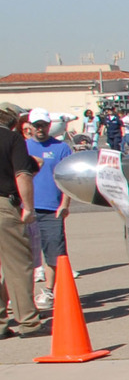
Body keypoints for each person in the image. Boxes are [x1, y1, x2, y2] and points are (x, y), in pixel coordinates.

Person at [0, 105, 43, 336]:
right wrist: (28, 207)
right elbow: (22, 175)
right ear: (14, 121)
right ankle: (27, 321)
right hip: (4, 206)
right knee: (17, 266)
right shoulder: (13, 139)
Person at [24, 112, 72, 311]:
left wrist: (65, 204)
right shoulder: (23, 147)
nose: (40, 129)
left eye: (43, 125)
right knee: (23, 253)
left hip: (51, 209)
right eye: (37, 125)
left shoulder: (61, 148)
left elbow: (67, 178)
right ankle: (20, 295)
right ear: (30, 126)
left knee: (54, 252)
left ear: (49, 125)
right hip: (26, 209)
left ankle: (49, 289)